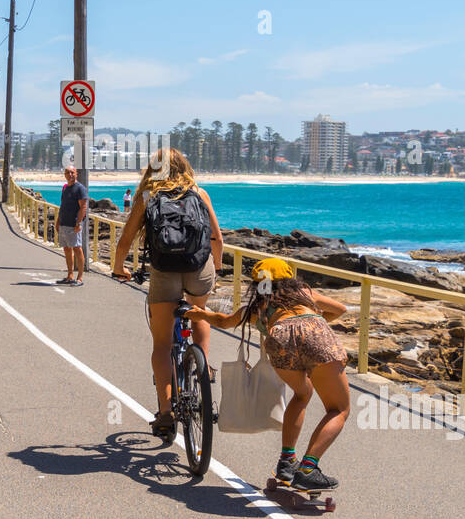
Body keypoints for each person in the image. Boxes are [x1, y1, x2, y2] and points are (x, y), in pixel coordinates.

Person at [185, 258, 349, 494]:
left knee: (302, 394)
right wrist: (317, 323)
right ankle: (308, 469)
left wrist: (200, 314)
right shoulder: (304, 293)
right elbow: (340, 310)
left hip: (279, 339)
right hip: (315, 334)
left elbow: (223, 321)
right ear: (288, 278)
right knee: (338, 409)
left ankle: (287, 461)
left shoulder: (256, 310)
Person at [112, 148, 223, 441]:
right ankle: (203, 372)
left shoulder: (148, 196)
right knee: (200, 314)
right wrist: (218, 267)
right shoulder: (199, 192)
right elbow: (217, 238)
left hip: (165, 272)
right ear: (184, 166)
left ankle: (165, 413)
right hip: (199, 269)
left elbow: (125, 241)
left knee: (162, 343)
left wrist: (119, 268)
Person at [56, 164, 88, 286]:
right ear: (64, 175)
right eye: (68, 172)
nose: (70, 175)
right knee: (67, 249)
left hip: (74, 225)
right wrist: (58, 221)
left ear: (76, 174)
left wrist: (79, 223)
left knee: (77, 249)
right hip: (64, 224)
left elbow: (83, 207)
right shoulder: (65, 188)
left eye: (72, 172)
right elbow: (63, 206)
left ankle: (79, 278)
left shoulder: (80, 188)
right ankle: (70, 275)